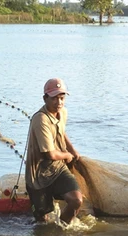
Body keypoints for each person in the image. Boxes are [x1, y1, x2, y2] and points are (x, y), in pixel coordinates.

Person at [25, 78, 83, 225]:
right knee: (41, 223)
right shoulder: (41, 119)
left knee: (76, 200)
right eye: (54, 98)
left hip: (58, 168)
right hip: (38, 174)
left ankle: (62, 228)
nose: (59, 103)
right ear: (45, 98)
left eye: (62, 98)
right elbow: (49, 154)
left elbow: (62, 132)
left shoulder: (62, 112)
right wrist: (67, 155)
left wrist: (73, 151)